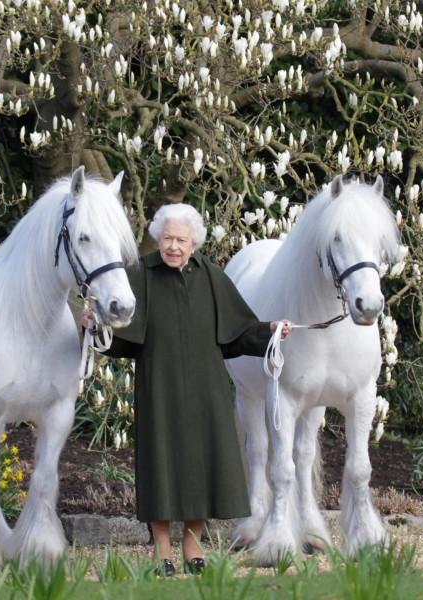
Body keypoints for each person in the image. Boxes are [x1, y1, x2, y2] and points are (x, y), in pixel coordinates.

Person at [84, 203, 293, 576]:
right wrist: (94, 326)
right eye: (166, 238)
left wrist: (272, 330)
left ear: (194, 242)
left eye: (181, 239)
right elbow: (120, 339)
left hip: (206, 389)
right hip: (158, 389)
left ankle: (192, 545)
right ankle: (161, 550)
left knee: (203, 467)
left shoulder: (211, 276)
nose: (173, 246)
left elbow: (239, 332)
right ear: (157, 239)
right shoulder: (141, 276)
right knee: (160, 467)